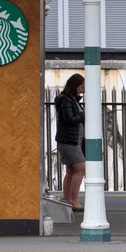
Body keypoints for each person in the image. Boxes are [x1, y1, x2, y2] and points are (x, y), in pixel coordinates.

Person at [55, 73, 86, 212]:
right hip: (69, 141)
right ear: (74, 86)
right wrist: (82, 116)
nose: (83, 90)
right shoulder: (67, 101)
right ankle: (73, 201)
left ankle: (67, 199)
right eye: (81, 87)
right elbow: (69, 119)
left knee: (71, 171)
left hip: (71, 140)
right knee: (81, 169)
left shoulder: (71, 100)